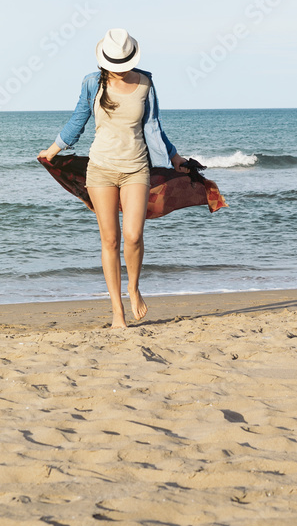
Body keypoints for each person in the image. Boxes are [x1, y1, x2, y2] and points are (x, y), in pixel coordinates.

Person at [37, 28, 189, 331]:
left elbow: (153, 127)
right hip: (101, 171)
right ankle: (117, 311)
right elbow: (78, 120)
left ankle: (133, 288)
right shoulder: (92, 83)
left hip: (136, 168)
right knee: (110, 240)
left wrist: (174, 157)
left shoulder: (146, 82)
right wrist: (52, 150)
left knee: (133, 236)